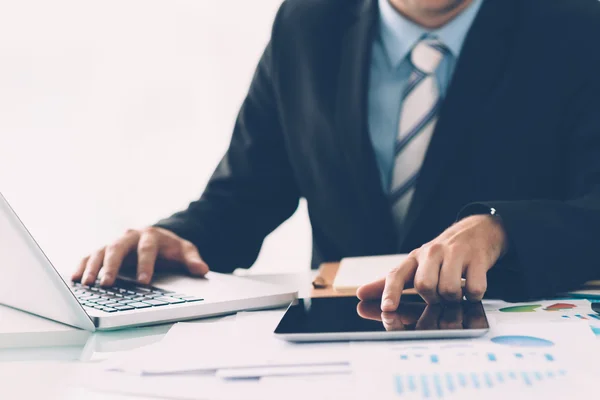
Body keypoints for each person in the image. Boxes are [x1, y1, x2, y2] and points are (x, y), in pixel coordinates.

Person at [73, 0, 600, 309]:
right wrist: (174, 239)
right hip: (342, 337)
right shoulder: (309, 23)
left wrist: (502, 230)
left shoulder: (578, 23)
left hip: (513, 337)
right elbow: (246, 194)